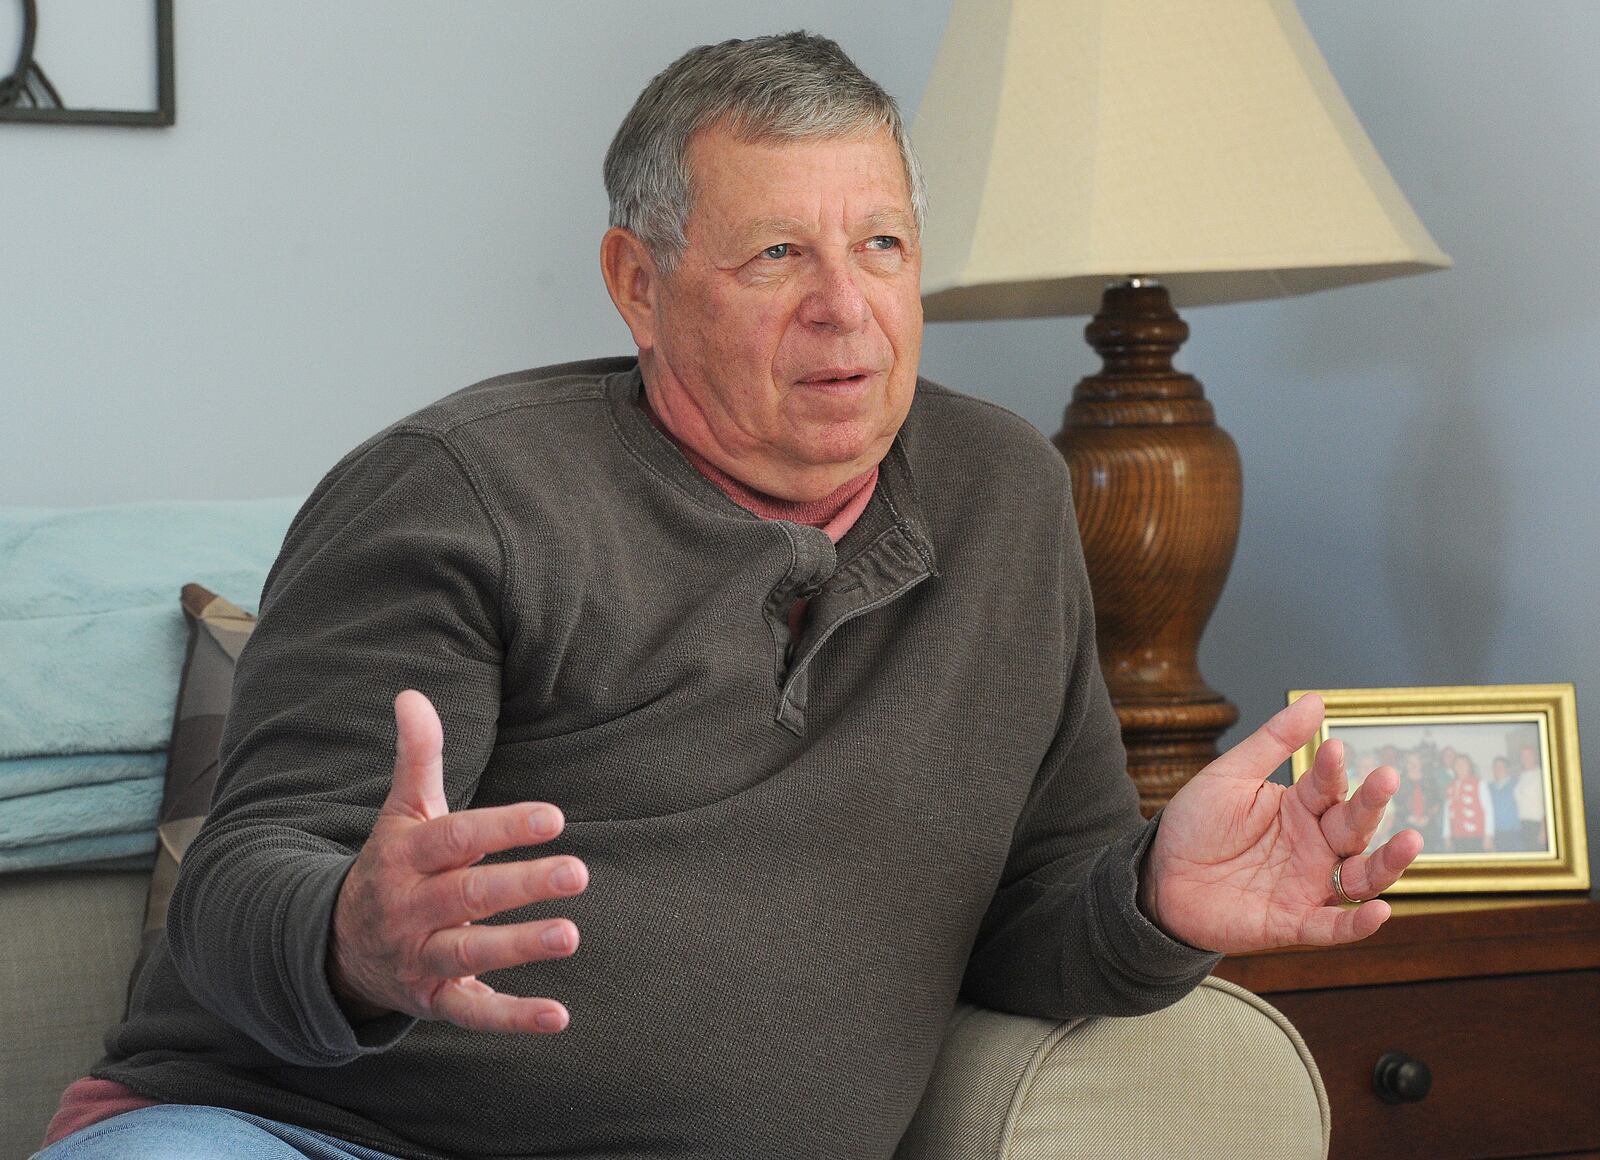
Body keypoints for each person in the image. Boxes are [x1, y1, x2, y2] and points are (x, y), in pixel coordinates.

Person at [36, 31, 1422, 1160]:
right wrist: (353, 931)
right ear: (638, 285)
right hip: (301, 1133)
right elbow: (241, 887)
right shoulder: (455, 492)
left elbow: (1032, 911)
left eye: (879, 246)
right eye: (777, 256)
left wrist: (1161, 899)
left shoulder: (1003, 492)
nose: (846, 306)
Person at [1444, 753, 1495, 854]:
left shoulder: (1479, 783)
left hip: (1476, 835)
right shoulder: (1450, 786)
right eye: (1457, 764)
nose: (1460, 766)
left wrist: (1489, 835)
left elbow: (1488, 810)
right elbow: (1447, 814)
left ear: (1469, 766)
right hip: (1457, 836)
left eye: (1463, 763)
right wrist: (1446, 835)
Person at [1515, 743, 1549, 851]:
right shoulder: (1522, 776)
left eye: (1529, 755)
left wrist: (1544, 830)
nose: (1526, 759)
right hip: (1523, 824)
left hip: (1538, 825)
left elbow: (1548, 805)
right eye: (1523, 756)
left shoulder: (1542, 775)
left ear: (1535, 756)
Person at [1488, 755, 1524, 852]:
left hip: (1515, 832)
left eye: (1501, 766)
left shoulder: (1517, 783)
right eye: (1495, 767)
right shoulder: (1489, 787)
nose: (1497, 769)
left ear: (1507, 769)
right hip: (1496, 833)